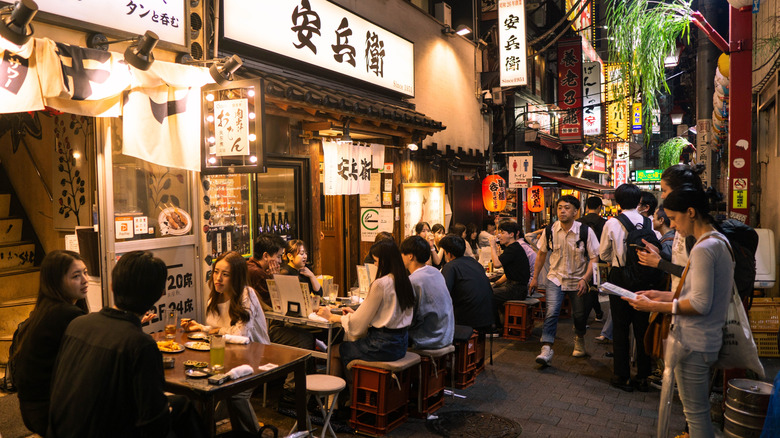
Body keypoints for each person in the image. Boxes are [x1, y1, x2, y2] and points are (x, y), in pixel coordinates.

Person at [47, 251, 203, 438]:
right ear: (160, 294)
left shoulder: (78, 324)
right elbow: (154, 424)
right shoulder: (140, 345)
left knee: (181, 404)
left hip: (61, 430)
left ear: (112, 286)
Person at [624, 185, 733, 437]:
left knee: (695, 415)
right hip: (702, 339)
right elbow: (698, 293)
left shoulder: (705, 248)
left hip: (695, 341)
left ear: (691, 212)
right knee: (695, 412)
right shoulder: (717, 241)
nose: (672, 225)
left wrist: (655, 306)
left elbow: (699, 304)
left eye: (673, 218)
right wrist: (659, 295)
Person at [184, 251, 269, 435]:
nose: (218, 278)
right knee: (198, 387)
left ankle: (253, 434)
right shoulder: (214, 297)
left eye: (225, 274)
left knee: (236, 394)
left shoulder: (248, 294)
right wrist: (201, 328)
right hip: (227, 357)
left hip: (255, 357)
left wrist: (211, 331)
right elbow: (218, 331)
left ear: (236, 276)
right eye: (216, 272)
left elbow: (242, 336)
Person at [317, 240, 415, 387]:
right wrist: (354, 314)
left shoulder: (381, 284)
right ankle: (349, 395)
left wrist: (331, 316)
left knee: (335, 351)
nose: (375, 265)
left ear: (384, 261)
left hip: (381, 345)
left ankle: (333, 402)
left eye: (376, 261)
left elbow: (356, 324)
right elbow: (386, 313)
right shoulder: (405, 281)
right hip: (401, 343)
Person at [14, 251, 89, 435]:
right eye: (76, 276)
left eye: (85, 272)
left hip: (32, 407)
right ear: (56, 281)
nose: (85, 280)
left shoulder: (47, 308)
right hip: (47, 412)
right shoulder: (64, 314)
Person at [599, 183, 660, 392]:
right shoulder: (648, 222)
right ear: (639, 202)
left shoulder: (612, 223)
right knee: (642, 327)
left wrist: (617, 259)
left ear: (617, 201)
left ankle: (622, 376)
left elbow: (603, 254)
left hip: (619, 277)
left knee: (621, 326)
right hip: (644, 277)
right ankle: (643, 376)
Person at [529, 195, 599, 364]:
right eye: (560, 207)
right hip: (556, 278)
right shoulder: (550, 230)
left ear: (576, 211)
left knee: (580, 315)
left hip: (578, 280)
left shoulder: (585, 231)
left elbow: (594, 258)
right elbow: (541, 254)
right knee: (552, 312)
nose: (562, 211)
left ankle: (579, 339)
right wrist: (535, 278)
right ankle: (546, 348)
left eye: (567, 208)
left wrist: (585, 279)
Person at [247, 233, 314, 349]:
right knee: (305, 339)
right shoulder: (257, 273)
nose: (280, 261)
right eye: (278, 256)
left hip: (260, 325)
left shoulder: (250, 266)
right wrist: (274, 279)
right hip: (260, 328)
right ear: (266, 255)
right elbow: (275, 305)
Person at [400, 235, 455, 350]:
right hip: (447, 334)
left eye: (402, 254)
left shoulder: (413, 281)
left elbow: (408, 318)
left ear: (410, 256)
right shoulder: (435, 272)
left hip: (428, 339)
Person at [439, 234, 495, 331]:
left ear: (449, 254)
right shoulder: (474, 262)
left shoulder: (450, 266)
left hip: (468, 320)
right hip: (488, 317)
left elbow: (444, 294)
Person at [488, 220, 531, 327]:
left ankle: (494, 328)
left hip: (516, 289)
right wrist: (496, 283)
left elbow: (497, 264)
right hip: (516, 287)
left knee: (487, 295)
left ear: (511, 235)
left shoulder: (513, 248)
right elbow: (509, 273)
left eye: (502, 233)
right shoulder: (513, 248)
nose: (499, 235)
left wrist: (492, 246)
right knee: (490, 291)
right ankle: (501, 324)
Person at [578, 196, 606, 324]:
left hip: (580, 259)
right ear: (600, 207)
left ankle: (598, 313)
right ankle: (583, 320)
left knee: (589, 289)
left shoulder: (578, 222)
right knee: (593, 288)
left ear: (586, 206)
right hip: (599, 260)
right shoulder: (604, 223)